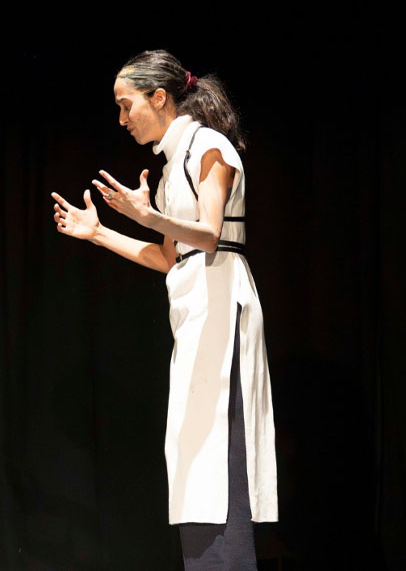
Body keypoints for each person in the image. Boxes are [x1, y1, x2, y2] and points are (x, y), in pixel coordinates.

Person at [50, 50, 277, 570]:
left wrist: (149, 216)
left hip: (222, 312)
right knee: (193, 461)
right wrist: (100, 233)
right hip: (196, 314)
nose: (121, 119)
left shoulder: (209, 147)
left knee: (219, 460)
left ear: (159, 98)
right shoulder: (173, 167)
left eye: (126, 105)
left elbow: (211, 235)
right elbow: (170, 257)